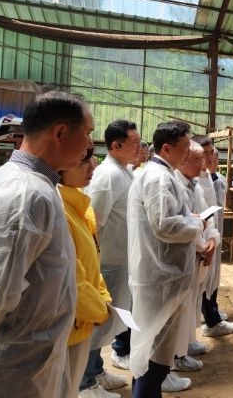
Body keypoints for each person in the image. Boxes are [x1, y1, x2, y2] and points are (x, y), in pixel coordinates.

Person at [0, 91, 93, 398]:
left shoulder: (10, 180)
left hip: (24, 358)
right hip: (12, 367)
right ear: (60, 132)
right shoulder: (28, 194)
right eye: (87, 133)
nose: (90, 144)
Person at [127, 121, 204, 397]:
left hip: (162, 274)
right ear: (167, 147)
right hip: (160, 276)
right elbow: (164, 225)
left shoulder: (163, 174)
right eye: (184, 147)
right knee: (155, 357)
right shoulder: (159, 178)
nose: (188, 153)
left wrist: (190, 220)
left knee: (154, 353)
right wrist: (196, 224)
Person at [80, 120, 140, 394]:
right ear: (116, 145)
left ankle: (96, 371)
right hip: (108, 261)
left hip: (121, 259)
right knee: (97, 321)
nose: (139, 148)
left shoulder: (124, 172)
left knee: (108, 322)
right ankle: (85, 382)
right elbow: (95, 221)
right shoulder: (108, 175)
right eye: (134, 143)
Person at [59, 148, 117, 398]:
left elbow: (92, 257)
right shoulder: (58, 209)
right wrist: (99, 309)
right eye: (83, 161)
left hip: (83, 318)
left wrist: (102, 297)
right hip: (71, 323)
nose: (93, 166)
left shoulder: (80, 203)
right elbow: (73, 279)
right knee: (66, 385)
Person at [172, 142, 220, 371]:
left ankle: (186, 345)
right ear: (183, 160)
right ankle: (175, 356)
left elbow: (205, 218)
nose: (203, 163)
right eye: (198, 159)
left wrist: (211, 241)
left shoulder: (196, 186)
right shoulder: (175, 186)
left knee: (191, 303)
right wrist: (203, 246)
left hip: (198, 255)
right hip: (184, 256)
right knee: (178, 307)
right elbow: (179, 225)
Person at [193, 135, 233, 337]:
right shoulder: (194, 181)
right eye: (206, 153)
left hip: (211, 235)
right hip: (200, 239)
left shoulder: (209, 178)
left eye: (213, 153)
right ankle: (211, 321)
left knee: (210, 279)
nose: (211, 158)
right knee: (202, 280)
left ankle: (212, 316)